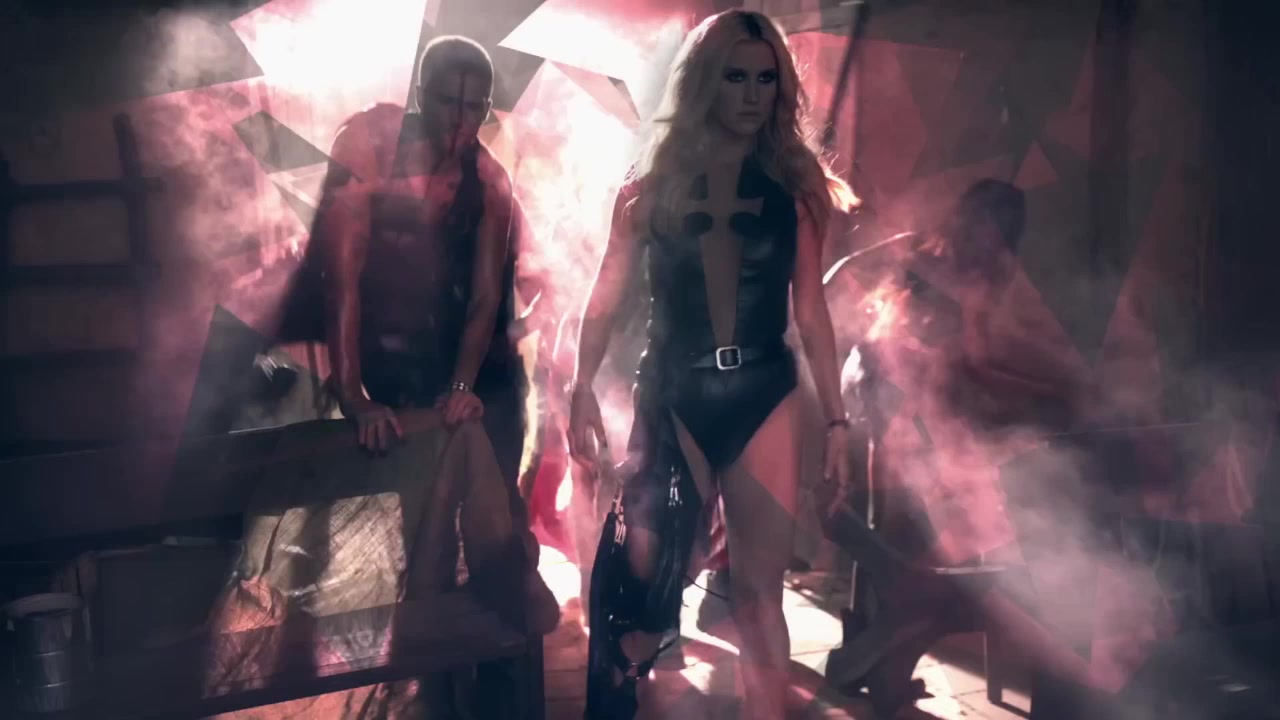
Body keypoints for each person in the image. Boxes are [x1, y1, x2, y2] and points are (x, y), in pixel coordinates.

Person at [567, 11, 857, 718]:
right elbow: (605, 295)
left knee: (759, 598)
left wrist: (838, 421)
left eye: (765, 78)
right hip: (675, 391)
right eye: (736, 77)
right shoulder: (650, 188)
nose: (752, 94)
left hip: (764, 392)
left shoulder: (796, 192)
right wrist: (579, 386)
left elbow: (811, 310)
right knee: (644, 591)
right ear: (704, 81)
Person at [306, 33, 558, 716]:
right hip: (394, 365)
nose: (462, 123)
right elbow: (342, 281)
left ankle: (505, 699)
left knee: (500, 536)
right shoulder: (367, 147)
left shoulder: (490, 181)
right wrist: (353, 395)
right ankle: (433, 697)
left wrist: (463, 386)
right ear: (423, 96)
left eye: (476, 109)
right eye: (451, 103)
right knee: (420, 543)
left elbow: (484, 299)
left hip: (483, 372)